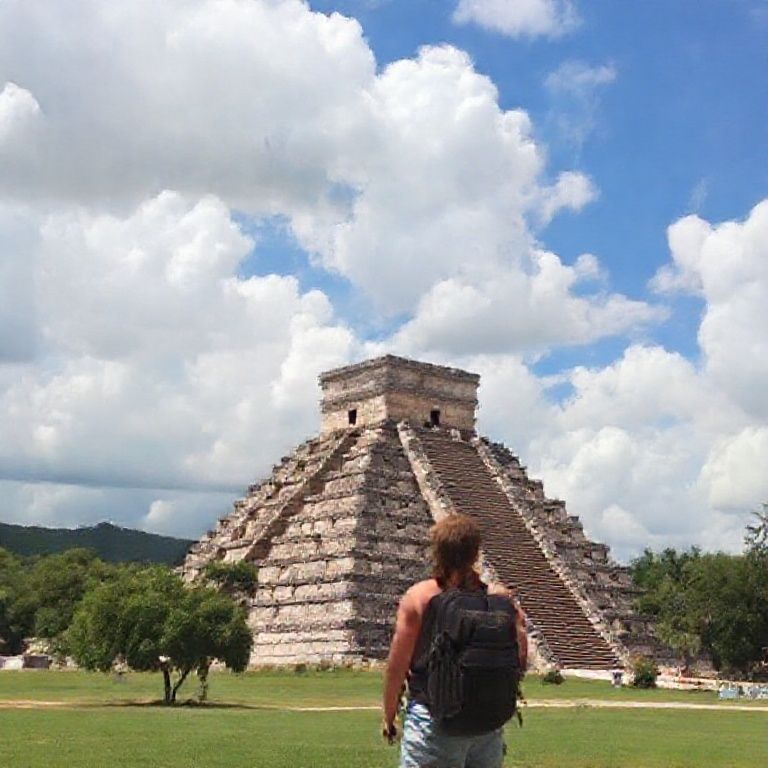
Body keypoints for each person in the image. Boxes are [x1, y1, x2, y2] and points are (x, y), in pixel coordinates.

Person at [382, 514, 528, 768]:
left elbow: (397, 667)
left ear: (437, 551)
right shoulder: (497, 600)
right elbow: (520, 657)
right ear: (476, 553)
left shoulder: (420, 597)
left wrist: (389, 715)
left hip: (434, 720)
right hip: (487, 725)